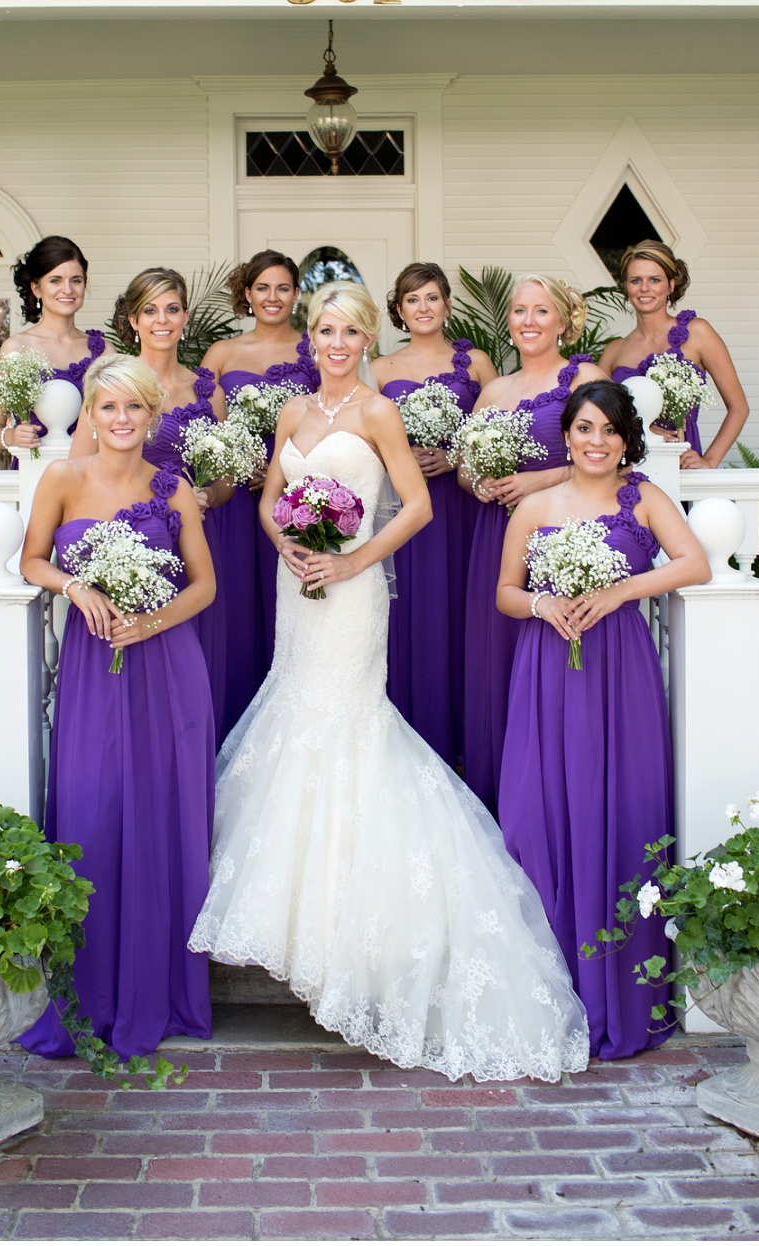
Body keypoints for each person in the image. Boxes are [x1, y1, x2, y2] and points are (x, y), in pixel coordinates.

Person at [189, 282, 590, 1084]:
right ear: (312, 335)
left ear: (368, 339)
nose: (337, 343)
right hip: (296, 588)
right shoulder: (293, 414)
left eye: (350, 332)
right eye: (326, 330)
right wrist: (290, 545)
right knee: (293, 707)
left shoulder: (378, 412)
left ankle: (355, 915)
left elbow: (415, 508)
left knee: (347, 717)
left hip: (353, 589)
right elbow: (270, 497)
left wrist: (349, 559)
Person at [496, 380, 710, 1059]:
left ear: (627, 440)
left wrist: (619, 590)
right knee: (544, 813)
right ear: (567, 434)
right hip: (547, 670)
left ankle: (621, 988)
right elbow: (504, 592)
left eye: (610, 431)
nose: (596, 441)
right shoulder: (533, 506)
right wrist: (541, 606)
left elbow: (695, 564)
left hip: (621, 672)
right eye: (585, 428)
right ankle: (551, 988)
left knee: (623, 809)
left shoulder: (643, 498)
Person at [18, 353, 216, 1057]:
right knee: (94, 810)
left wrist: (152, 620)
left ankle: (156, 992)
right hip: (94, 671)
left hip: (166, 669)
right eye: (108, 407)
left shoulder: (174, 488)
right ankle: (92, 992)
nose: (122, 419)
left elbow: (203, 587)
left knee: (162, 817)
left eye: (134, 407)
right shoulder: (63, 478)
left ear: (151, 414)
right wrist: (78, 589)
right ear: (92, 416)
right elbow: (33, 560)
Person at [458, 275, 608, 815]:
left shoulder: (584, 377)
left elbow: (608, 452)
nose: (527, 320)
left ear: (564, 321)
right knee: (494, 658)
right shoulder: (495, 390)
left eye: (540, 311)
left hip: (559, 535)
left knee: (552, 661)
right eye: (520, 311)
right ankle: (499, 798)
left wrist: (532, 482)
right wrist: (483, 483)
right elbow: (464, 468)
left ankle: (554, 795)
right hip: (496, 534)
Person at [72, 267, 232, 742]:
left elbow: (225, 478)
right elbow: (82, 472)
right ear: (133, 319)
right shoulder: (108, 383)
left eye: (172, 309)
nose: (162, 320)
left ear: (185, 316)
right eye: (150, 310)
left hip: (196, 544)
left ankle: (192, 775)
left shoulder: (208, 390)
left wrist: (207, 493)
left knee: (195, 672)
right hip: (130, 550)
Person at [376, 263, 496, 766]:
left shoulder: (478, 363)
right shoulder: (379, 369)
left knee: (463, 614)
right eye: (412, 299)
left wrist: (455, 458)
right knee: (412, 617)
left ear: (447, 305)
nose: (422, 307)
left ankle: (467, 748)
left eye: (431, 297)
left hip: (463, 507)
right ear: (399, 311)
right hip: (407, 511)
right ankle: (410, 749)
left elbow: (498, 434)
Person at [202, 250, 319, 731]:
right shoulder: (222, 354)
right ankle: (233, 731)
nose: (273, 298)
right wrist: (234, 461)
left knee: (291, 616)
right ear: (247, 294)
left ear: (296, 294)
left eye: (284, 288)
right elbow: (203, 430)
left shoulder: (316, 347)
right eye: (263, 288)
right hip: (234, 503)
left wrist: (281, 468)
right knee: (238, 617)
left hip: (299, 504)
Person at [599, 240, 749, 468]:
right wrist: (635, 427)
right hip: (628, 467)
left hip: (681, 465)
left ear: (671, 285)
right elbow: (593, 416)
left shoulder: (697, 333)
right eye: (636, 280)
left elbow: (739, 407)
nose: (644, 288)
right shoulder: (614, 351)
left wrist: (709, 460)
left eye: (655, 280)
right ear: (627, 288)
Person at [0, 235, 105, 462]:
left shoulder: (104, 351)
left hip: (89, 474)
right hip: (33, 472)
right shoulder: (15, 349)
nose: (67, 289)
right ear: (36, 288)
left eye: (76, 280)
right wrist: (11, 436)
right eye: (56, 280)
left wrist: (97, 435)